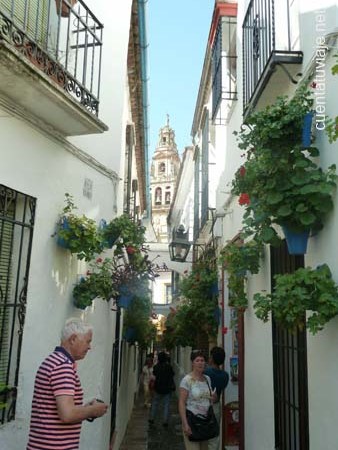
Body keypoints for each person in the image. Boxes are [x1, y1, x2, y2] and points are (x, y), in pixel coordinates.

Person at [27, 318, 108, 450]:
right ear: (73, 339)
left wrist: (86, 409)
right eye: (88, 341)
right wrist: (93, 410)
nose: (89, 347)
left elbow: (58, 409)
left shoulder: (53, 360)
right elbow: (67, 414)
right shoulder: (62, 366)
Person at [179, 350, 217, 450]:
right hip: (192, 422)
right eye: (197, 360)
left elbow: (211, 399)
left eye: (202, 360)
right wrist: (185, 423)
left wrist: (214, 397)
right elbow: (182, 403)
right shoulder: (187, 380)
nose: (200, 363)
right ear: (192, 363)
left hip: (205, 423)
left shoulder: (207, 379)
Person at [204, 347, 229, 450]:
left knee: (203, 435)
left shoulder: (206, 373)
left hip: (204, 406)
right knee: (214, 437)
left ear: (212, 358)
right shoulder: (225, 376)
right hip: (216, 407)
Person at [149, 351, 175, 427]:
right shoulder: (169, 367)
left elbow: (154, 375)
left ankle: (152, 418)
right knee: (166, 405)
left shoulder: (156, 367)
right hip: (167, 388)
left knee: (155, 404)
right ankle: (165, 421)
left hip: (158, 388)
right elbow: (172, 375)